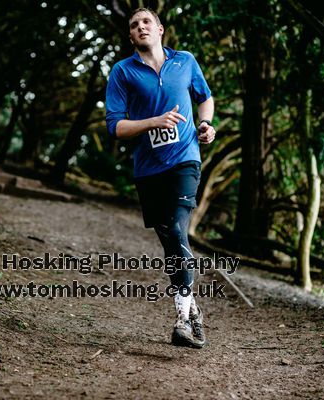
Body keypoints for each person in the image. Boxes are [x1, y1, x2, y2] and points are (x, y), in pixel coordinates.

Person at [105, 7, 216, 348]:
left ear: (160, 29)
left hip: (185, 160)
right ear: (131, 36)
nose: (141, 27)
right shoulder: (122, 72)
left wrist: (206, 124)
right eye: (134, 25)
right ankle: (193, 311)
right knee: (171, 241)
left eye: (146, 22)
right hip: (149, 169)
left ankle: (182, 321)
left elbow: (206, 97)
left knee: (179, 228)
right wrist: (153, 121)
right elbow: (116, 126)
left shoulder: (185, 62)